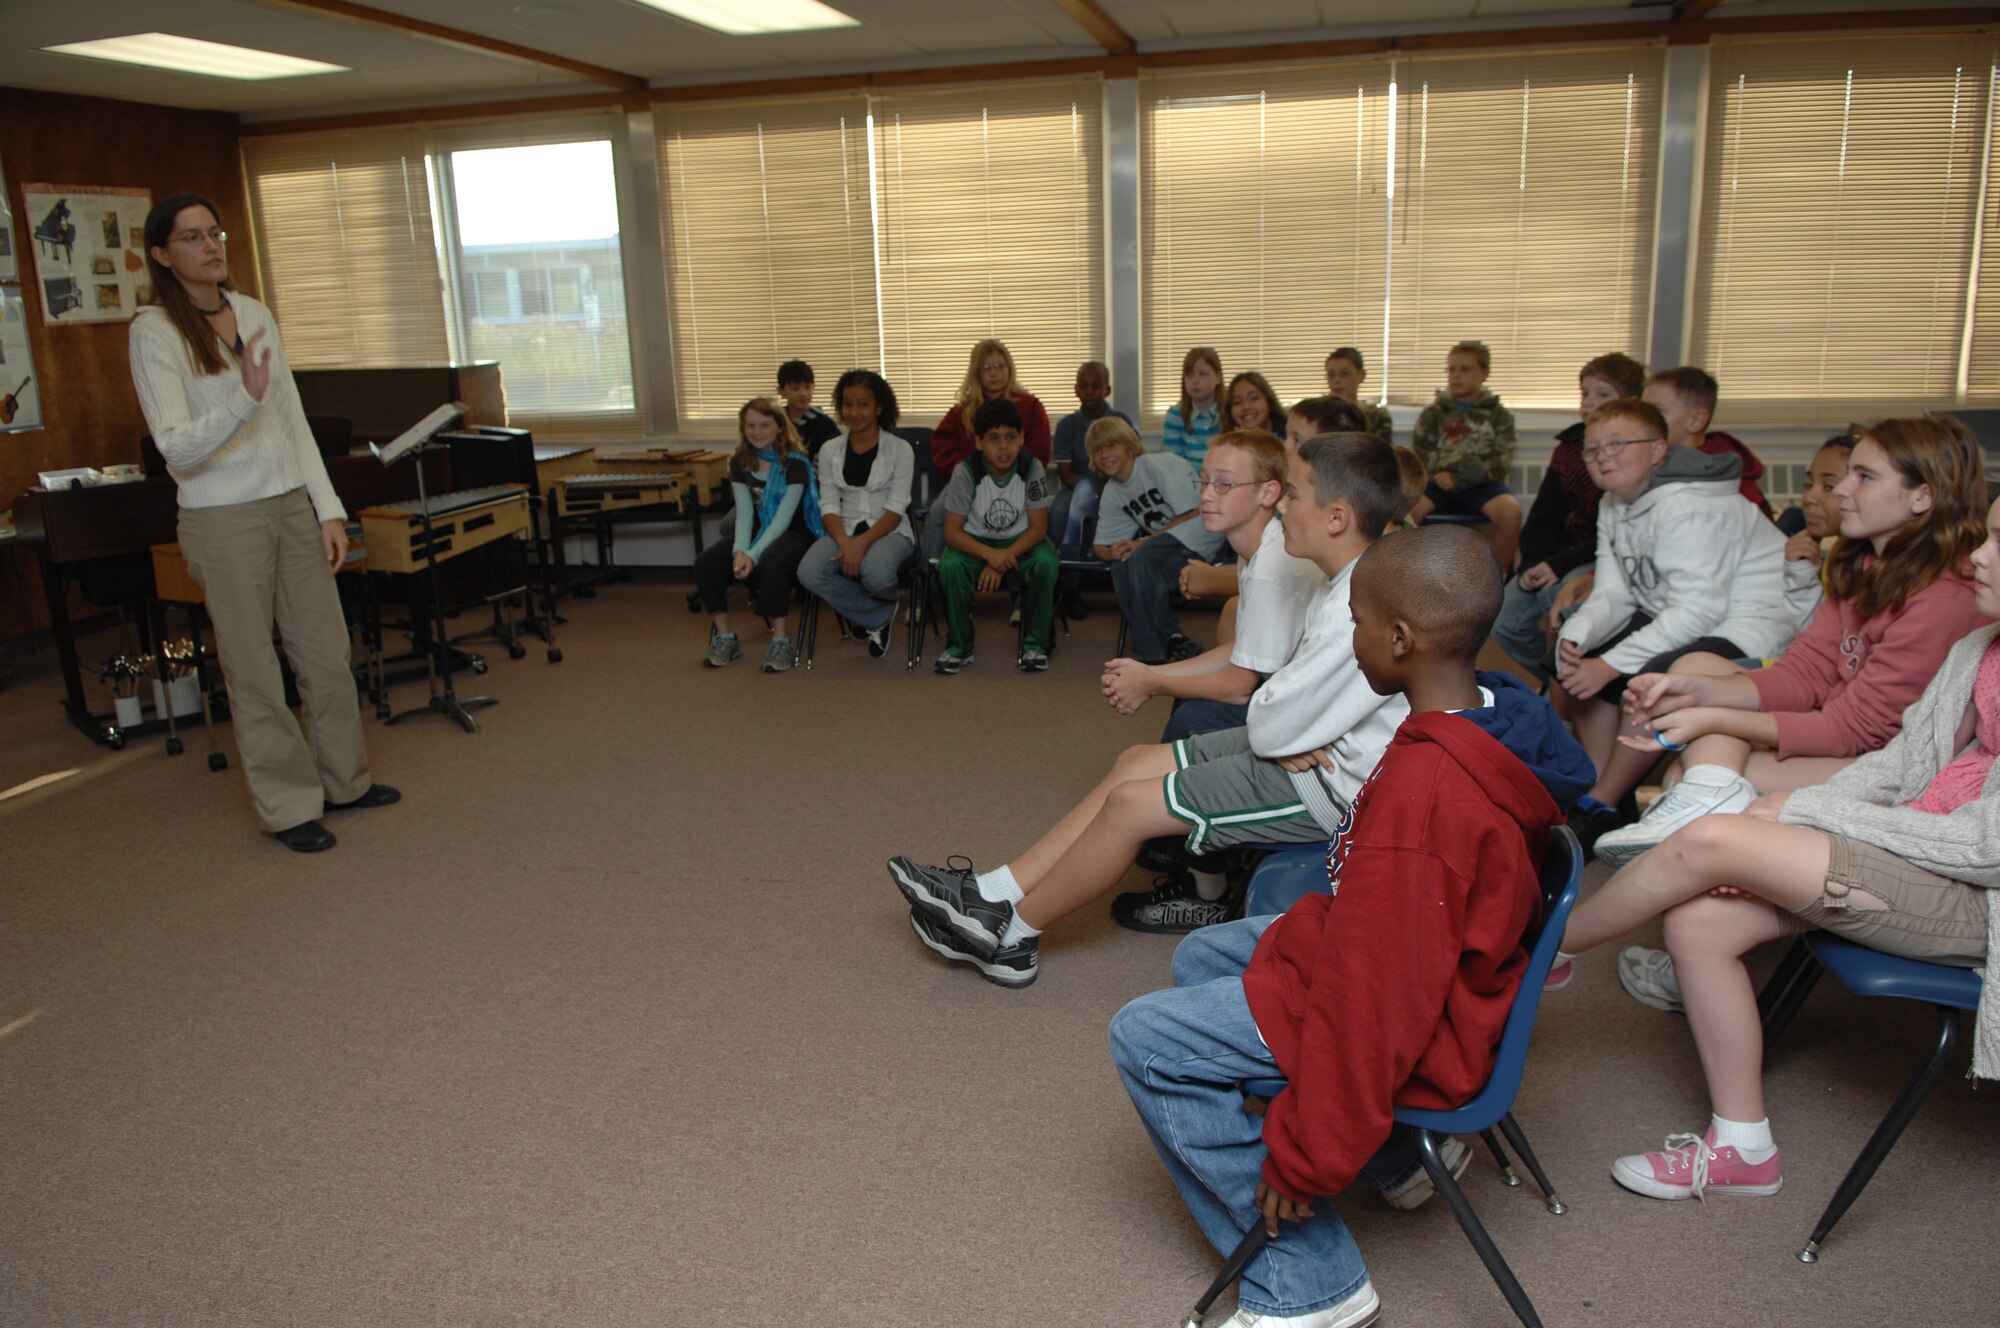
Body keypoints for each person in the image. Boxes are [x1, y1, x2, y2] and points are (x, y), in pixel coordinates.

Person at [1107, 525, 1591, 1328]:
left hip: (1426, 1025)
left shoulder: (1425, 800)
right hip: (1443, 976)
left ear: (1399, 640)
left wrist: (1305, 1155)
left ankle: (1311, 1284)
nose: (1346, 637)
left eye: (1355, 622)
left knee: (1145, 1038)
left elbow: (1376, 1003)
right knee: (1205, 953)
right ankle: (1397, 1158)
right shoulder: (1494, 711)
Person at [1549, 492, 2000, 1202]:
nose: (1978, 552)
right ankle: (1743, 1147)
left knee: (1720, 834)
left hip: (1978, 898)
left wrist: (1804, 812)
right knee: (1698, 921)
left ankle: (1538, 951)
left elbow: (1987, 849)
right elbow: (1906, 764)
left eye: (1999, 541)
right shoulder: (1982, 646)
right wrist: (1801, 814)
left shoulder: (1958, 616)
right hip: (1917, 849)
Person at [889, 434, 1407, 988]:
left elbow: (1264, 712)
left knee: (1130, 806)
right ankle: (994, 893)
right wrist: (1289, 725)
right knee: (1137, 761)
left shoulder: (1354, 604)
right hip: (1307, 754)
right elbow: (1279, 704)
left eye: (1295, 496)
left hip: (1331, 788)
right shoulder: (1344, 582)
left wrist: (1287, 726)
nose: (1283, 508)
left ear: (1335, 517)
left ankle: (1013, 936)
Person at [1588, 417, 1988, 870]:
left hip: (1890, 766)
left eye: (1865, 477)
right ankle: (1704, 807)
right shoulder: (1862, 560)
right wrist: (1699, 693)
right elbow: (1808, 671)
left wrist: (1712, 716)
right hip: (1841, 732)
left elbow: (1856, 730)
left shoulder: (1944, 595)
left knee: (1692, 768)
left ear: (1923, 496)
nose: (1841, 490)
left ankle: (1697, 819)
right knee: (1694, 670)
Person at [128, 192, 398, 854]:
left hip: (289, 506)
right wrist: (243, 400)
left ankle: (346, 780)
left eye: (214, 233)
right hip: (222, 519)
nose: (210, 245)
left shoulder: (253, 313)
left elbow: (294, 422)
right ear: (162, 254)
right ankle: (287, 805)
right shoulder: (154, 332)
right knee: (254, 668)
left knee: (325, 652)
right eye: (191, 238)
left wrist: (327, 508)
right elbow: (176, 448)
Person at [1098, 431, 1325, 933]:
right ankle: (1176, 835)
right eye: (1205, 481)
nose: (1205, 494)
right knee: (1191, 709)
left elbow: (1239, 685)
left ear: (1268, 492)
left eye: (1223, 485)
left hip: (1305, 718)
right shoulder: (1256, 546)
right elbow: (1241, 653)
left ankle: (1208, 888)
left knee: (1198, 717)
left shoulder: (1268, 564)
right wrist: (1153, 672)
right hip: (1290, 693)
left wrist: (1153, 684)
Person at [1555, 399, 1790, 853]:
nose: (1603, 456)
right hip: (1683, 612)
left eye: (1618, 444)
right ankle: (1606, 794)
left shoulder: (1688, 506)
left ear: (1658, 450)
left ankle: (1600, 800)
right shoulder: (1614, 502)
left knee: (1652, 676)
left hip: (1750, 624)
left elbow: (1698, 611)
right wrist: (1577, 637)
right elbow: (1614, 591)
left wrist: (1608, 664)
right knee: (1574, 660)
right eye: (1593, 449)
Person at [1495, 351, 1647, 678]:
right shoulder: (1568, 450)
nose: (1589, 402)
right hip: (1561, 554)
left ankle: (1567, 687)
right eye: (1585, 393)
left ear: (1631, 402)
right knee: (1503, 618)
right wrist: (1533, 563)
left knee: (1562, 605)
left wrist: (1558, 565)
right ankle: (1558, 681)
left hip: (1596, 558)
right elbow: (1545, 517)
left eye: (1603, 395)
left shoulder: (1634, 456)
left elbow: (1612, 535)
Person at [696, 397, 824, 672]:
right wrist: (739, 551)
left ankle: (781, 641)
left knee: (772, 560)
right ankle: (726, 637)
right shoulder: (740, 462)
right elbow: (744, 513)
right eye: (750, 425)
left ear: (779, 427)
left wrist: (752, 555)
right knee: (707, 561)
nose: (756, 431)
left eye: (764, 424)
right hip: (757, 529)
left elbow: (783, 519)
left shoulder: (795, 464)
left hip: (795, 533)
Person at [933, 397, 1059, 674]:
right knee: (950, 566)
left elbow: (1039, 527)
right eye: (993, 438)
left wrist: (1004, 557)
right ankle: (960, 646)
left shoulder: (1031, 467)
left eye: (1011, 437)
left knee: (1046, 563)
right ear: (978, 441)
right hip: (976, 542)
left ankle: (1036, 645)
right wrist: (991, 555)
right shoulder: (965, 472)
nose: (1003, 446)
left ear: (1022, 438)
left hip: (1022, 540)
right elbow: (953, 533)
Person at [1087, 417, 1227, 664]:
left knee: (1141, 556)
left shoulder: (1155, 465)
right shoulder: (1112, 491)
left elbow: (1192, 512)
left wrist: (1142, 543)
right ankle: (1154, 651)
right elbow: (1100, 545)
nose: (1104, 454)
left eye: (1112, 445)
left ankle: (1172, 637)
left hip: (1201, 533)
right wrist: (1113, 552)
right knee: (1122, 567)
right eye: (1097, 450)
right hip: (1165, 550)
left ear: (1129, 445)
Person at [796, 370, 914, 658]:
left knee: (876, 574)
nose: (855, 412)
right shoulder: (829, 450)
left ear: (879, 407)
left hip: (890, 531)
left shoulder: (900, 450)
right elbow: (829, 505)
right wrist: (846, 542)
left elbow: (896, 510)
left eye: (863, 404)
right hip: (843, 529)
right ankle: (877, 614)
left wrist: (861, 544)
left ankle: (866, 611)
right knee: (809, 572)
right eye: (848, 404)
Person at [924, 339, 1053, 565]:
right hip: (971, 480)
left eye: (999, 366)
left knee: (1043, 512)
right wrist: (966, 470)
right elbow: (942, 445)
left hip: (1018, 480)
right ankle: (931, 584)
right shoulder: (961, 411)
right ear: (976, 373)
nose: (994, 373)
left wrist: (1013, 468)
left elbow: (1040, 449)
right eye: (986, 368)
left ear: (1009, 369)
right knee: (937, 511)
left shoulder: (1030, 406)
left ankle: (1022, 580)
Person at [1408, 339, 1524, 573]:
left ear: (1484, 373)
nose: (1456, 376)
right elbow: (1421, 454)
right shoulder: (1433, 414)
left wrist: (1460, 478)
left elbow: (1500, 461)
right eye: (1452, 369)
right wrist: (1446, 475)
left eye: (1465, 369)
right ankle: (1407, 577)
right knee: (1405, 511)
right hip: (1437, 483)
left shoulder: (1500, 416)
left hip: (1482, 485)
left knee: (1512, 513)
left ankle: (1497, 580)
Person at [1642, 366, 1772, 516]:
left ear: (1696, 421)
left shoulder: (1727, 479)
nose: (1643, 419)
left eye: (1657, 411)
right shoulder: (1650, 460)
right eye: (1642, 411)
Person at [1775, 431, 1857, 635]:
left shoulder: (1871, 563)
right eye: (1808, 485)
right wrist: (1800, 573)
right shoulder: (1839, 554)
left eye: (1829, 486)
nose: (1808, 497)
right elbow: (1818, 637)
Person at [1162, 347, 1224, 467]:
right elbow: (1172, 464)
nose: (1195, 381)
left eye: (1203, 374)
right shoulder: (1175, 415)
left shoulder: (1229, 412)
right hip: (1187, 483)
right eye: (1189, 375)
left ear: (1218, 377)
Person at [1323, 347, 1393, 445]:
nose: (1337, 380)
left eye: (1344, 373)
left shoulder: (1377, 416)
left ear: (1361, 375)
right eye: (1331, 375)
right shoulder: (1318, 414)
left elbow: (1382, 453)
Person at [776, 358, 839, 455]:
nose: (803, 393)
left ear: (814, 387)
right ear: (781, 391)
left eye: (807, 387)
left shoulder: (824, 424)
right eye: (795, 388)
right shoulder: (777, 420)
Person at [1220, 371, 1286, 436]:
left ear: (1269, 402)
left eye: (1254, 398)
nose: (1246, 407)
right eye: (1237, 402)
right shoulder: (1224, 445)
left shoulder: (1290, 440)